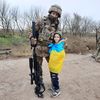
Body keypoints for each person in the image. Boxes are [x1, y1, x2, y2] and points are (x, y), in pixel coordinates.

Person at [29, 5, 62, 98]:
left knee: (53, 68)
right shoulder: (41, 21)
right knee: (37, 68)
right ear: (50, 12)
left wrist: (58, 39)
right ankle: (39, 84)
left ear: (58, 15)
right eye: (53, 13)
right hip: (38, 48)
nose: (54, 15)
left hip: (50, 49)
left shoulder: (57, 25)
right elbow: (32, 32)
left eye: (56, 14)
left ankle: (55, 85)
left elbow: (59, 34)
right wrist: (32, 39)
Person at [48, 32, 66, 97]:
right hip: (51, 65)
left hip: (56, 65)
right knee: (53, 77)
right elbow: (50, 52)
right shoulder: (53, 44)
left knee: (54, 78)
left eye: (57, 37)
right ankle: (53, 87)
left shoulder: (60, 46)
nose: (56, 38)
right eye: (55, 36)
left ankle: (57, 90)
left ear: (60, 38)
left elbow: (61, 55)